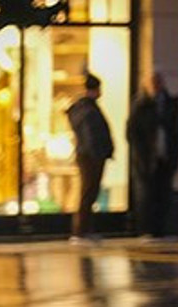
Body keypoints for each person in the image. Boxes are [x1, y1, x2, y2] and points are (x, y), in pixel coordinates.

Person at [128, 72, 178, 237]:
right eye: (153, 83)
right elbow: (133, 133)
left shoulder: (170, 105)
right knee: (147, 194)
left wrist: (176, 153)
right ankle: (147, 229)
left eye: (158, 82)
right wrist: (141, 155)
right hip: (147, 159)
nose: (156, 86)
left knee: (164, 194)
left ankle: (161, 228)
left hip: (166, 157)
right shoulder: (141, 106)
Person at [67, 73, 115, 241]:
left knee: (89, 192)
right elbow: (91, 135)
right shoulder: (88, 110)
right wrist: (99, 152)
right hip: (91, 156)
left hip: (89, 155)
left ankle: (84, 229)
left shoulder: (83, 109)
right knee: (89, 192)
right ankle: (81, 230)